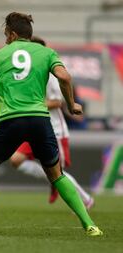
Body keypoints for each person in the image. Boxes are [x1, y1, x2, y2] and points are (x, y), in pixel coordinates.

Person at [0, 12, 103, 236]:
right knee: (56, 175)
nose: (5, 38)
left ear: (14, 34)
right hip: (40, 120)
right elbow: (65, 77)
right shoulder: (47, 53)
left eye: (7, 34)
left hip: (10, 121)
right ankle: (89, 225)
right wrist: (72, 104)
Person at [9, 36, 94, 209]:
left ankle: (85, 199)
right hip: (34, 127)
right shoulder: (30, 73)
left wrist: (29, 104)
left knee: (58, 173)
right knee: (16, 159)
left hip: (53, 129)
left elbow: (57, 102)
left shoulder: (50, 74)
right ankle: (51, 179)